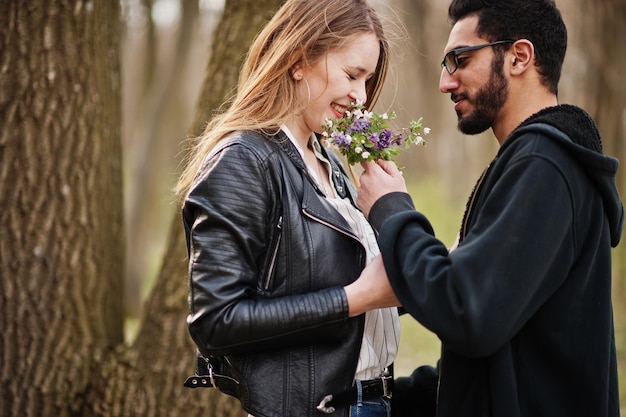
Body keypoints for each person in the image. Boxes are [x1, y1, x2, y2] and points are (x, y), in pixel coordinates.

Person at [344, 0, 625, 416]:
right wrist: (385, 400)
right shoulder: (534, 163)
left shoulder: (544, 164)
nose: (445, 81)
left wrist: (391, 211)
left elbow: (466, 312)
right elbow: (502, 351)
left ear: (519, 57)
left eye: (459, 59)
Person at [175, 1, 401, 416]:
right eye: (352, 75)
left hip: (370, 402)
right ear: (299, 61)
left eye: (367, 80)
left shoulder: (330, 164)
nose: (361, 96)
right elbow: (216, 321)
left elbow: (345, 284)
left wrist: (421, 260)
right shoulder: (244, 160)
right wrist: (356, 298)